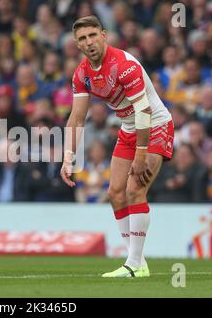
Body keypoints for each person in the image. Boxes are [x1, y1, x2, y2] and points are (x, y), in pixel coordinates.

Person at [60, 16, 174, 278]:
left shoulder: (123, 66)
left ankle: (134, 265)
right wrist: (68, 158)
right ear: (77, 45)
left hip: (154, 126)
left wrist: (141, 154)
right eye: (82, 39)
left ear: (103, 35)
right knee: (115, 193)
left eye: (92, 35)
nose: (89, 42)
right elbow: (77, 117)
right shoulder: (82, 74)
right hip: (128, 129)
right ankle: (136, 261)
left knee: (135, 189)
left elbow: (144, 110)